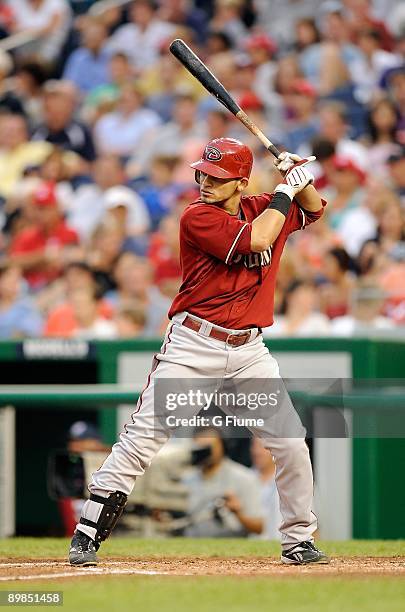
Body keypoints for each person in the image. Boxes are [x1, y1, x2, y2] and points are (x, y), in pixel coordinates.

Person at [68, 137, 329, 567]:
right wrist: (287, 189)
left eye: (219, 177)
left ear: (241, 183)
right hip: (195, 344)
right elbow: (260, 238)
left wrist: (297, 175)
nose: (206, 181)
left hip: (249, 349)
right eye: (204, 173)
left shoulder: (262, 204)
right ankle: (88, 532)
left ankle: (298, 539)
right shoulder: (197, 217)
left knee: (290, 442)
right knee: (142, 439)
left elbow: (315, 209)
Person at [183, 427, 264, 537]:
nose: (204, 452)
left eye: (208, 447)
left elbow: (259, 527)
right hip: (191, 548)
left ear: (223, 446)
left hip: (233, 549)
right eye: (200, 447)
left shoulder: (244, 478)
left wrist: (238, 513)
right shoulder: (186, 479)